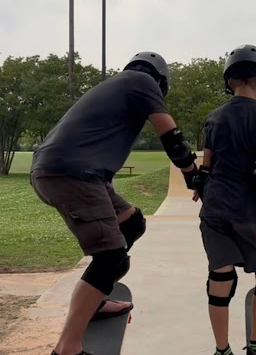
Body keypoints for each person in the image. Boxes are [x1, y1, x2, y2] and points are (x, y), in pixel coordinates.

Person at [30, 52, 198, 355]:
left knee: (132, 223)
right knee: (112, 259)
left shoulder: (118, 85)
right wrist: (193, 175)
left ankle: (93, 300)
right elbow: (172, 137)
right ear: (161, 81)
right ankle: (68, 348)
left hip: (67, 172)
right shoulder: (142, 81)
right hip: (73, 175)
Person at [191, 45, 256, 355]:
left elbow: (205, 167)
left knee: (219, 279)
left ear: (230, 81)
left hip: (216, 211)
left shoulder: (214, 117)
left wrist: (202, 189)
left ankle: (222, 349)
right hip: (252, 214)